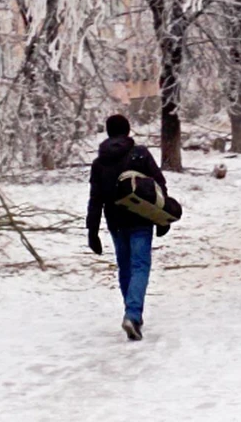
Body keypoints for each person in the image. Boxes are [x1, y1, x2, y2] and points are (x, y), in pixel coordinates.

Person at [86, 114, 170, 341]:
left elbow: (95, 199)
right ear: (128, 130)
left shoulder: (100, 162)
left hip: (115, 222)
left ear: (108, 132)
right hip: (141, 219)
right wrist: (163, 218)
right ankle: (132, 315)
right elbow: (159, 185)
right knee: (140, 266)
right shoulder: (140, 154)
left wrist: (92, 231)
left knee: (126, 268)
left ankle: (132, 314)